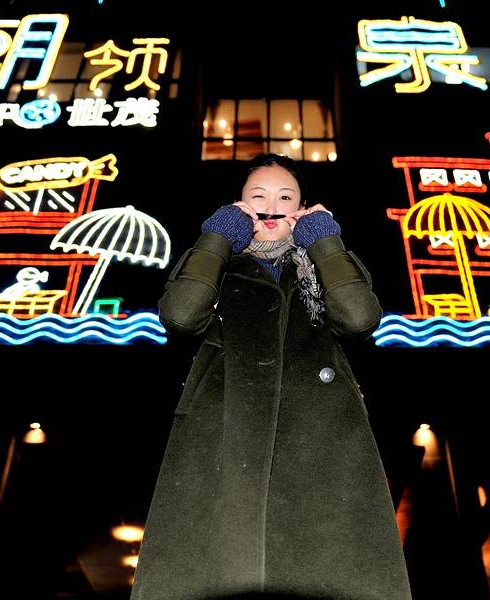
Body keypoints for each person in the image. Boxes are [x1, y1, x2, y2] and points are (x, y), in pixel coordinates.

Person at [130, 154, 412, 600]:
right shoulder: (219, 268)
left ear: (302, 210)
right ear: (238, 206)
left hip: (322, 453)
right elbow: (181, 315)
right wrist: (217, 238)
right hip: (224, 447)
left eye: (286, 197)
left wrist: (325, 243)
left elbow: (359, 318)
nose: (271, 207)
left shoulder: (320, 270)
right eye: (257, 196)